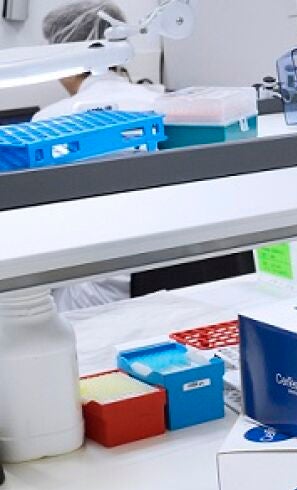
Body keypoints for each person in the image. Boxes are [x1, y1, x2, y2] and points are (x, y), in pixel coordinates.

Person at [34, 1, 161, 311]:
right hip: (165, 276)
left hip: (90, 291)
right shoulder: (159, 101)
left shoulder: (48, 123)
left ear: (65, 57)